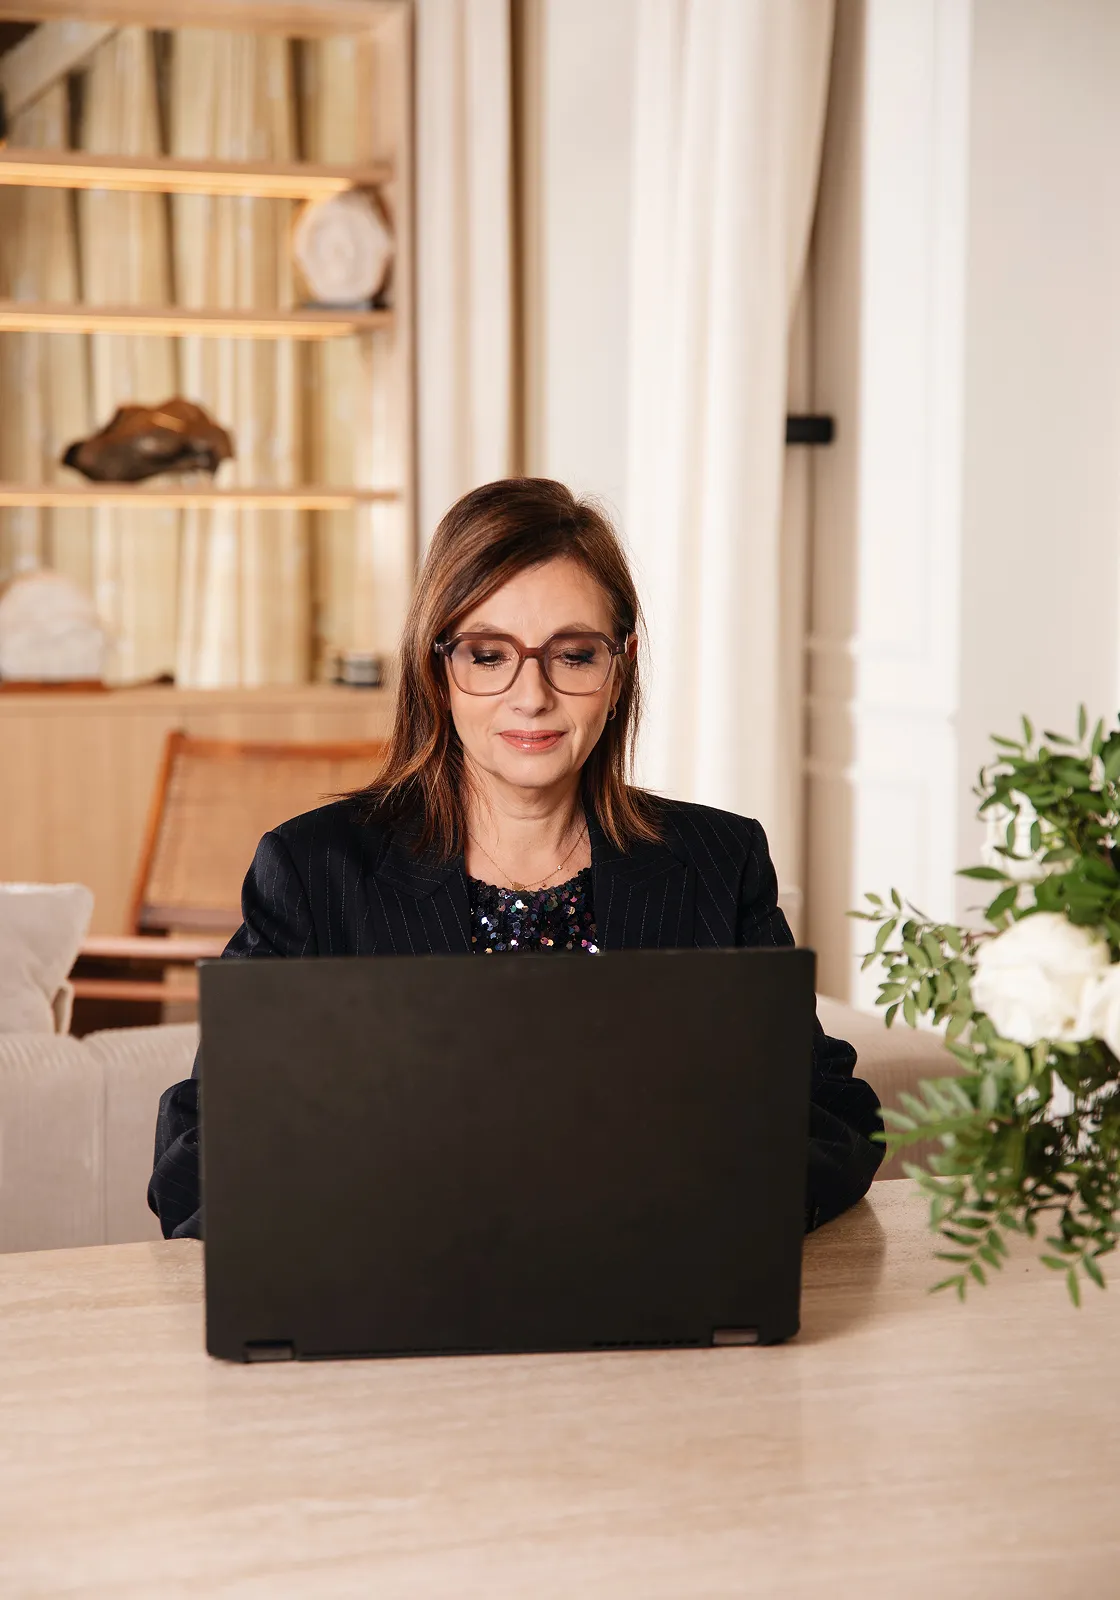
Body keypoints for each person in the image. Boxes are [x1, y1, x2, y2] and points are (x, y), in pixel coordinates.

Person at [149, 478, 882, 1240]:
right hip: (398, 1316)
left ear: (620, 667)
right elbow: (196, 1153)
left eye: (572, 654)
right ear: (437, 670)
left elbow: (830, 1115)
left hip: (655, 1312)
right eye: (489, 654)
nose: (530, 696)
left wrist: (693, 1214)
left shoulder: (717, 861)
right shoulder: (313, 870)